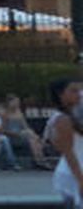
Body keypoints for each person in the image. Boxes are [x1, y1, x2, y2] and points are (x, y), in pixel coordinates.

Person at [46, 78, 83, 207]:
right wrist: (80, 179)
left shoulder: (68, 117)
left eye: (79, 90)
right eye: (73, 91)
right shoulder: (62, 119)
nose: (79, 94)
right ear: (60, 94)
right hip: (74, 173)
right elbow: (68, 152)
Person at [1, 94, 50, 169]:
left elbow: (25, 126)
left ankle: (40, 160)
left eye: (18, 102)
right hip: (12, 136)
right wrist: (16, 134)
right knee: (32, 138)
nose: (17, 104)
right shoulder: (5, 114)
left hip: (23, 135)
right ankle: (40, 160)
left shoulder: (19, 113)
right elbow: (3, 130)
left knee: (32, 139)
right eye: (15, 102)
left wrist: (32, 134)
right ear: (9, 103)